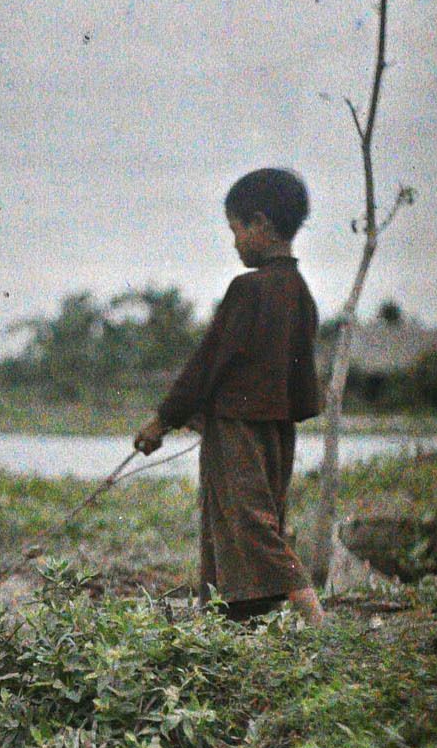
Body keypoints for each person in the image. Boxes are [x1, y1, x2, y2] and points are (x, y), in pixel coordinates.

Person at [134, 167, 326, 626]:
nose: (236, 242)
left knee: (247, 522)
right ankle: (235, 622)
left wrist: (162, 421)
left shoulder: (249, 289)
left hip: (237, 428)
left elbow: (207, 363)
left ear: (260, 224)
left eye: (236, 230)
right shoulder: (299, 291)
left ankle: (318, 624)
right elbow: (287, 374)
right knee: (244, 519)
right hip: (276, 430)